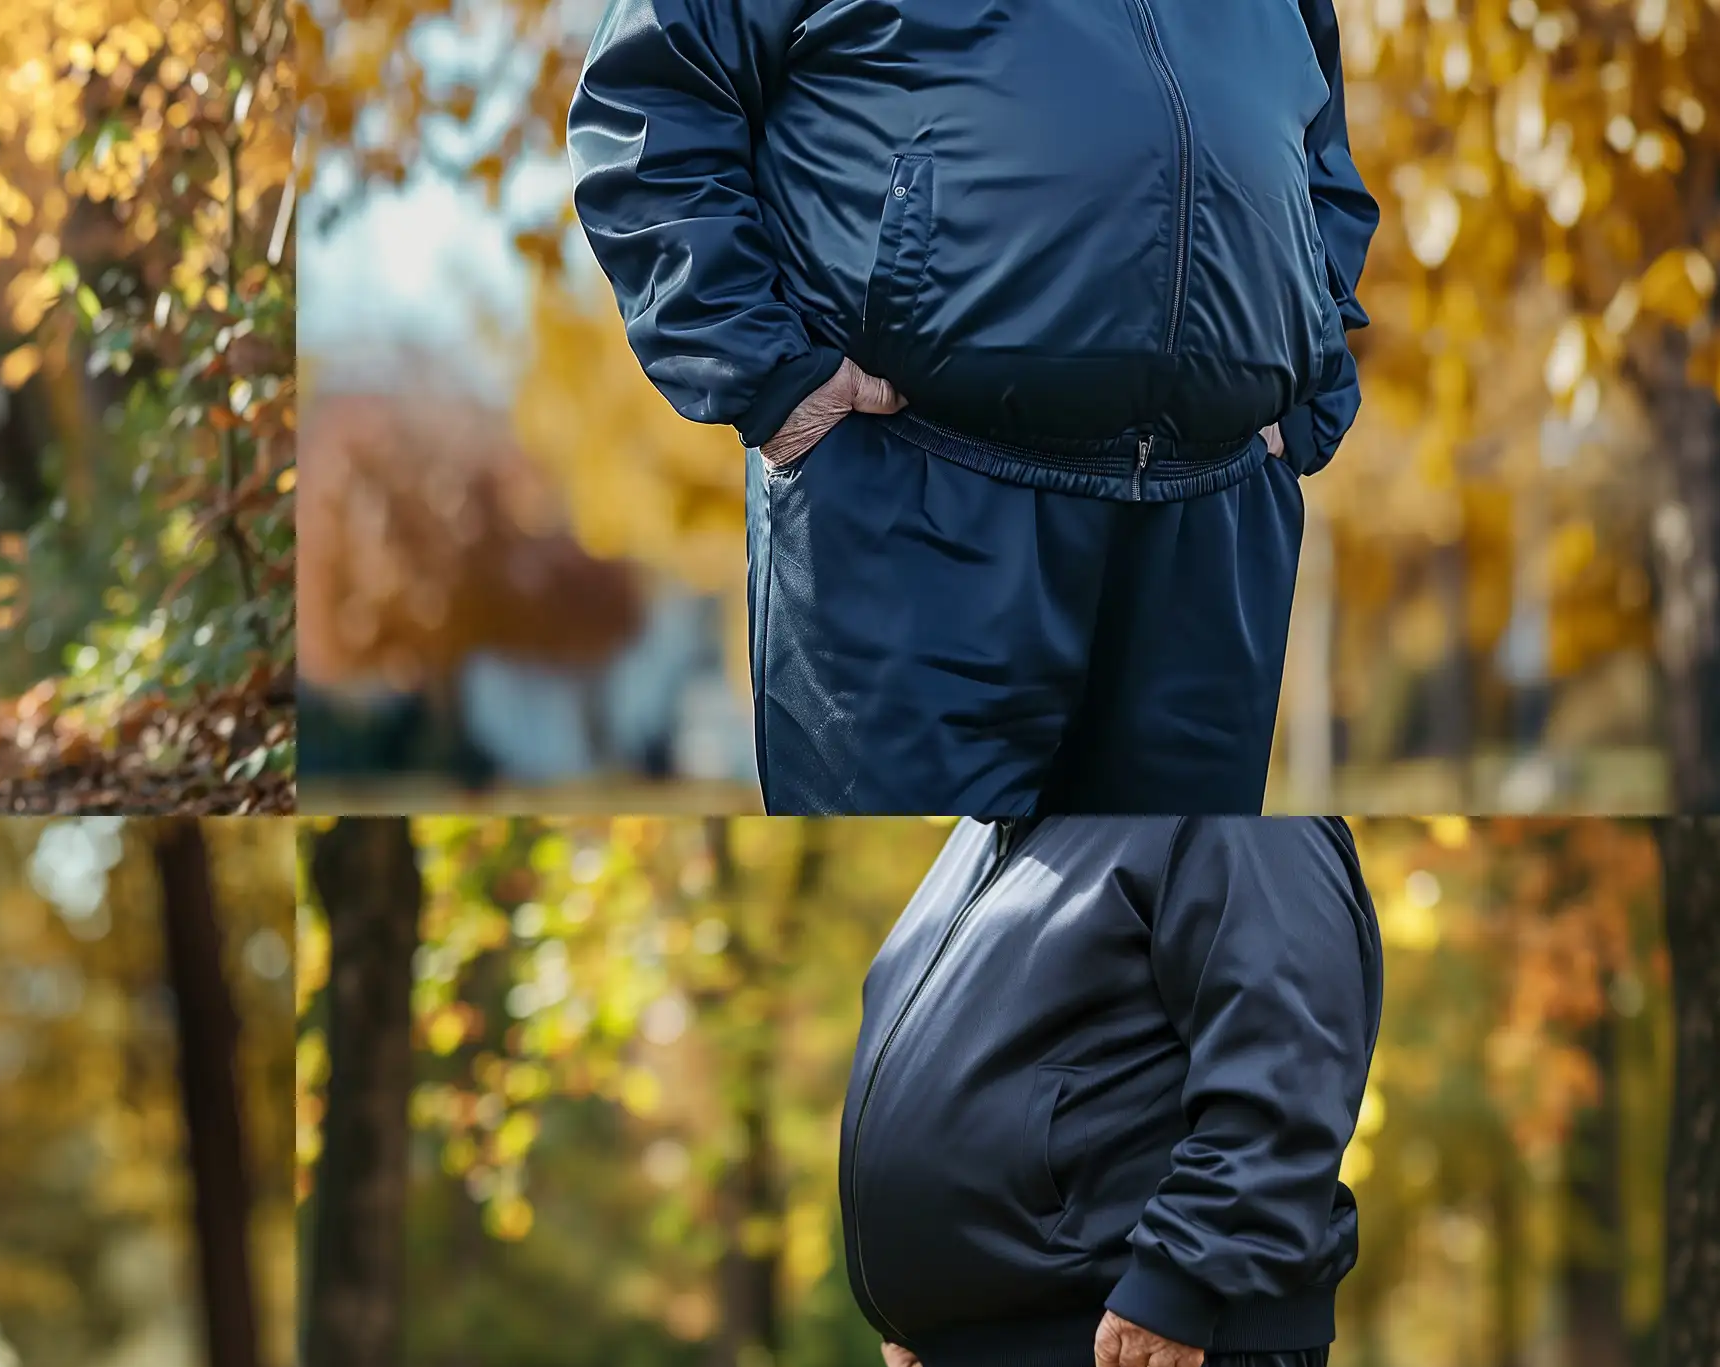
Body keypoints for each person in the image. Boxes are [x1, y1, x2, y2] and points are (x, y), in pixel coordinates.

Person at [570, 2, 1378, 814]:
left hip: (1214, 523)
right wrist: (767, 375)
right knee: (912, 920)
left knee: (1172, 921)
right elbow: (649, 91)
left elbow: (1320, 162)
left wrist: (1312, 370)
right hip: (912, 500)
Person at [843, 817, 1379, 1367]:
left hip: (1146, 1358)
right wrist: (925, 1290)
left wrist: (1179, 1278)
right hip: (996, 1366)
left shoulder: (1231, 799)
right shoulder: (997, 826)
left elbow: (1286, 1051)